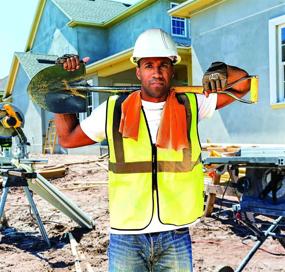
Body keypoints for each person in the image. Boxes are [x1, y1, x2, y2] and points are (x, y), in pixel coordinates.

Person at [54, 28, 250, 271]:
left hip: (175, 233)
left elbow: (243, 85)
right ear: (138, 71)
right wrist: (60, 88)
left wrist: (222, 70)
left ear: (172, 69)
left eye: (163, 65)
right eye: (148, 65)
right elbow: (69, 139)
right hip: (126, 236)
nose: (156, 72)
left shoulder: (192, 104)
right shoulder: (114, 109)